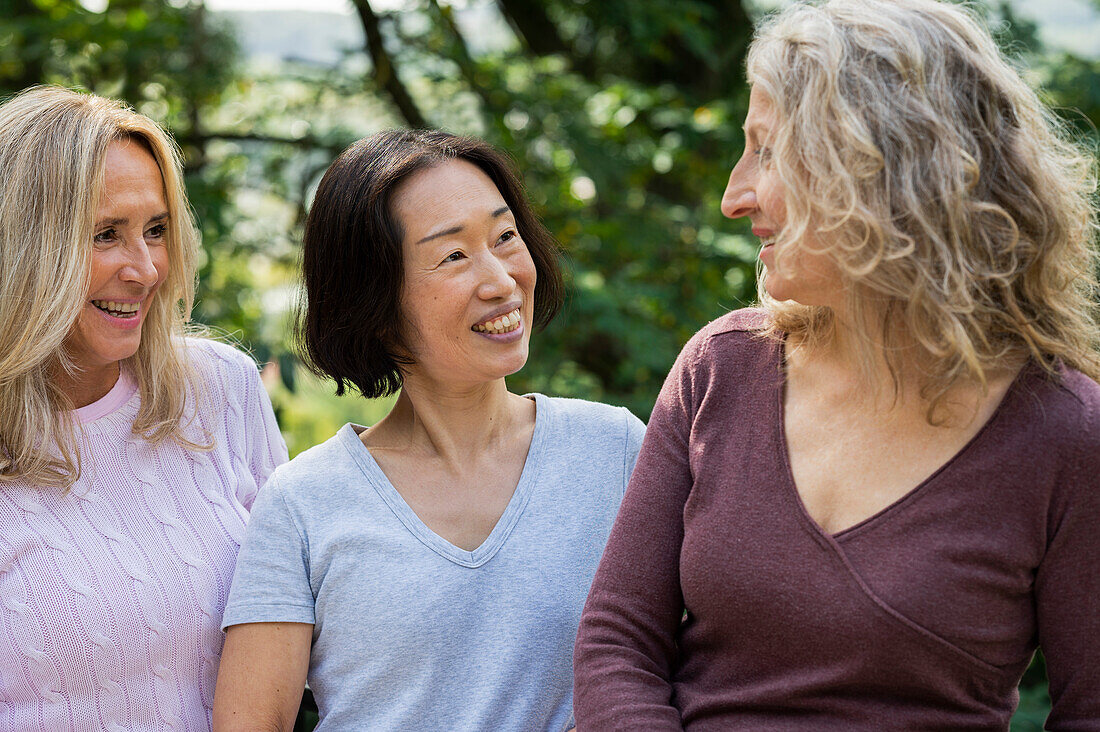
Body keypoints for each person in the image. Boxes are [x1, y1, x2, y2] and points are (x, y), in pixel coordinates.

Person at [573, 0, 1100, 728]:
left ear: (876, 170)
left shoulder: (1065, 433)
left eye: (765, 150)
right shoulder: (718, 369)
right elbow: (618, 641)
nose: (734, 195)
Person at [212, 129, 646, 731]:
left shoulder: (615, 451)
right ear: (374, 302)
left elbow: (697, 663)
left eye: (505, 237)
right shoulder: (302, 505)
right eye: (454, 256)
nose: (499, 280)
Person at [0, 86, 288, 731]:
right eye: (106, 235)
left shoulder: (220, 389)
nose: (147, 268)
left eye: (156, 231)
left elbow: (307, 616)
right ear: (21, 249)